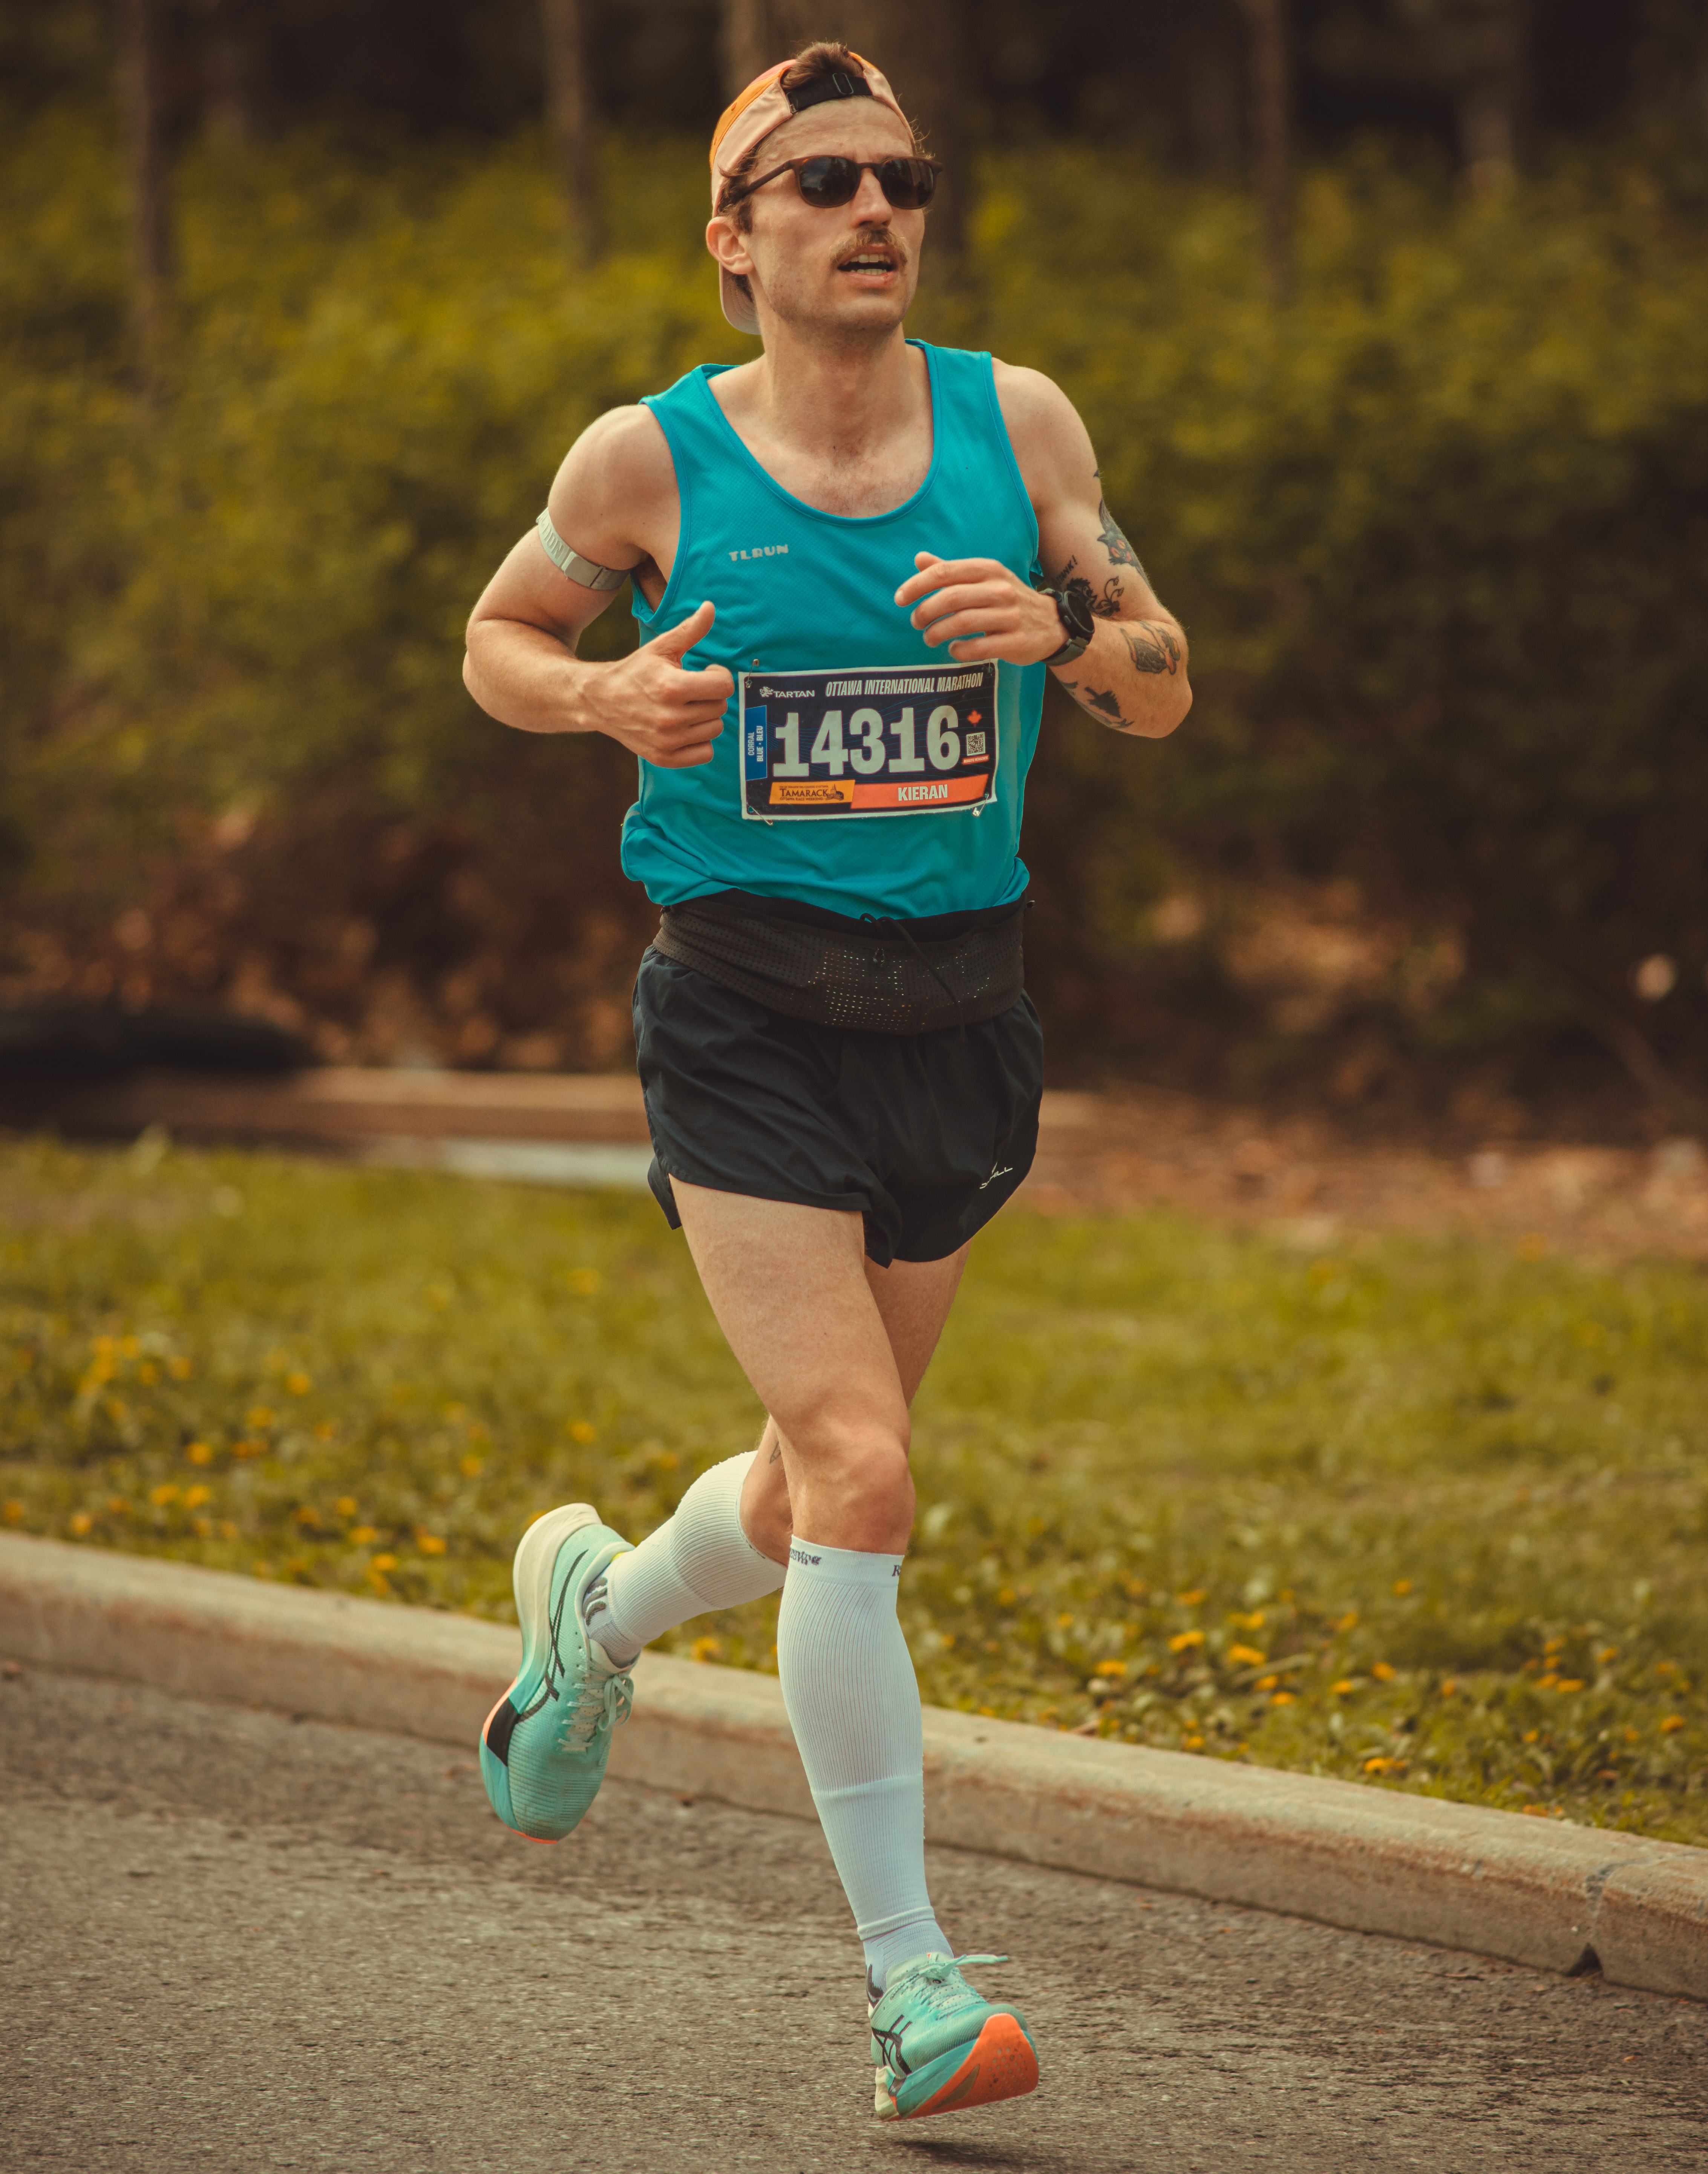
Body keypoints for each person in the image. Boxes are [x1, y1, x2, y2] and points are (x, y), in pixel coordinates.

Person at [461, 40, 1190, 2125]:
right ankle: (912, 1991)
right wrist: (604, 691)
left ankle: (595, 1617)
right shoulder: (649, 460)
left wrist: (1062, 630)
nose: (877, 210)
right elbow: (497, 643)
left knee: (808, 1494)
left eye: (903, 180)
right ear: (736, 239)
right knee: (864, 1473)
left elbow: (1161, 682)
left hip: (961, 1014)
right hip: (745, 1009)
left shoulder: (1018, 425)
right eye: (826, 183)